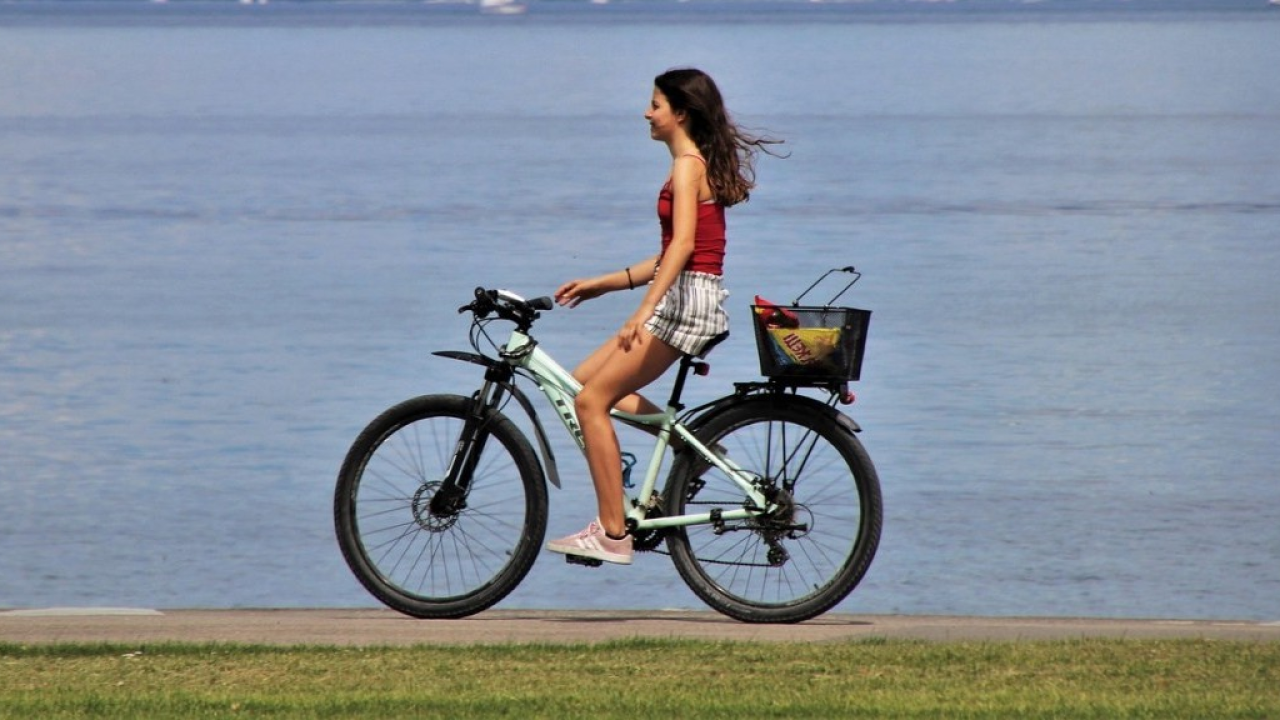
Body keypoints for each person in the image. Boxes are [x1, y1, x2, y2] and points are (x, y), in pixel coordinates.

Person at [546, 68, 781, 565]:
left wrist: (642, 311)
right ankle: (692, 450)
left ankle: (612, 533)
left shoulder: (687, 166)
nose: (647, 113)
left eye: (655, 105)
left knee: (590, 403)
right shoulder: (690, 165)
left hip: (687, 303)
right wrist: (602, 283)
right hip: (686, 294)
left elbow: (683, 248)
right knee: (580, 383)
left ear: (681, 112)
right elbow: (672, 253)